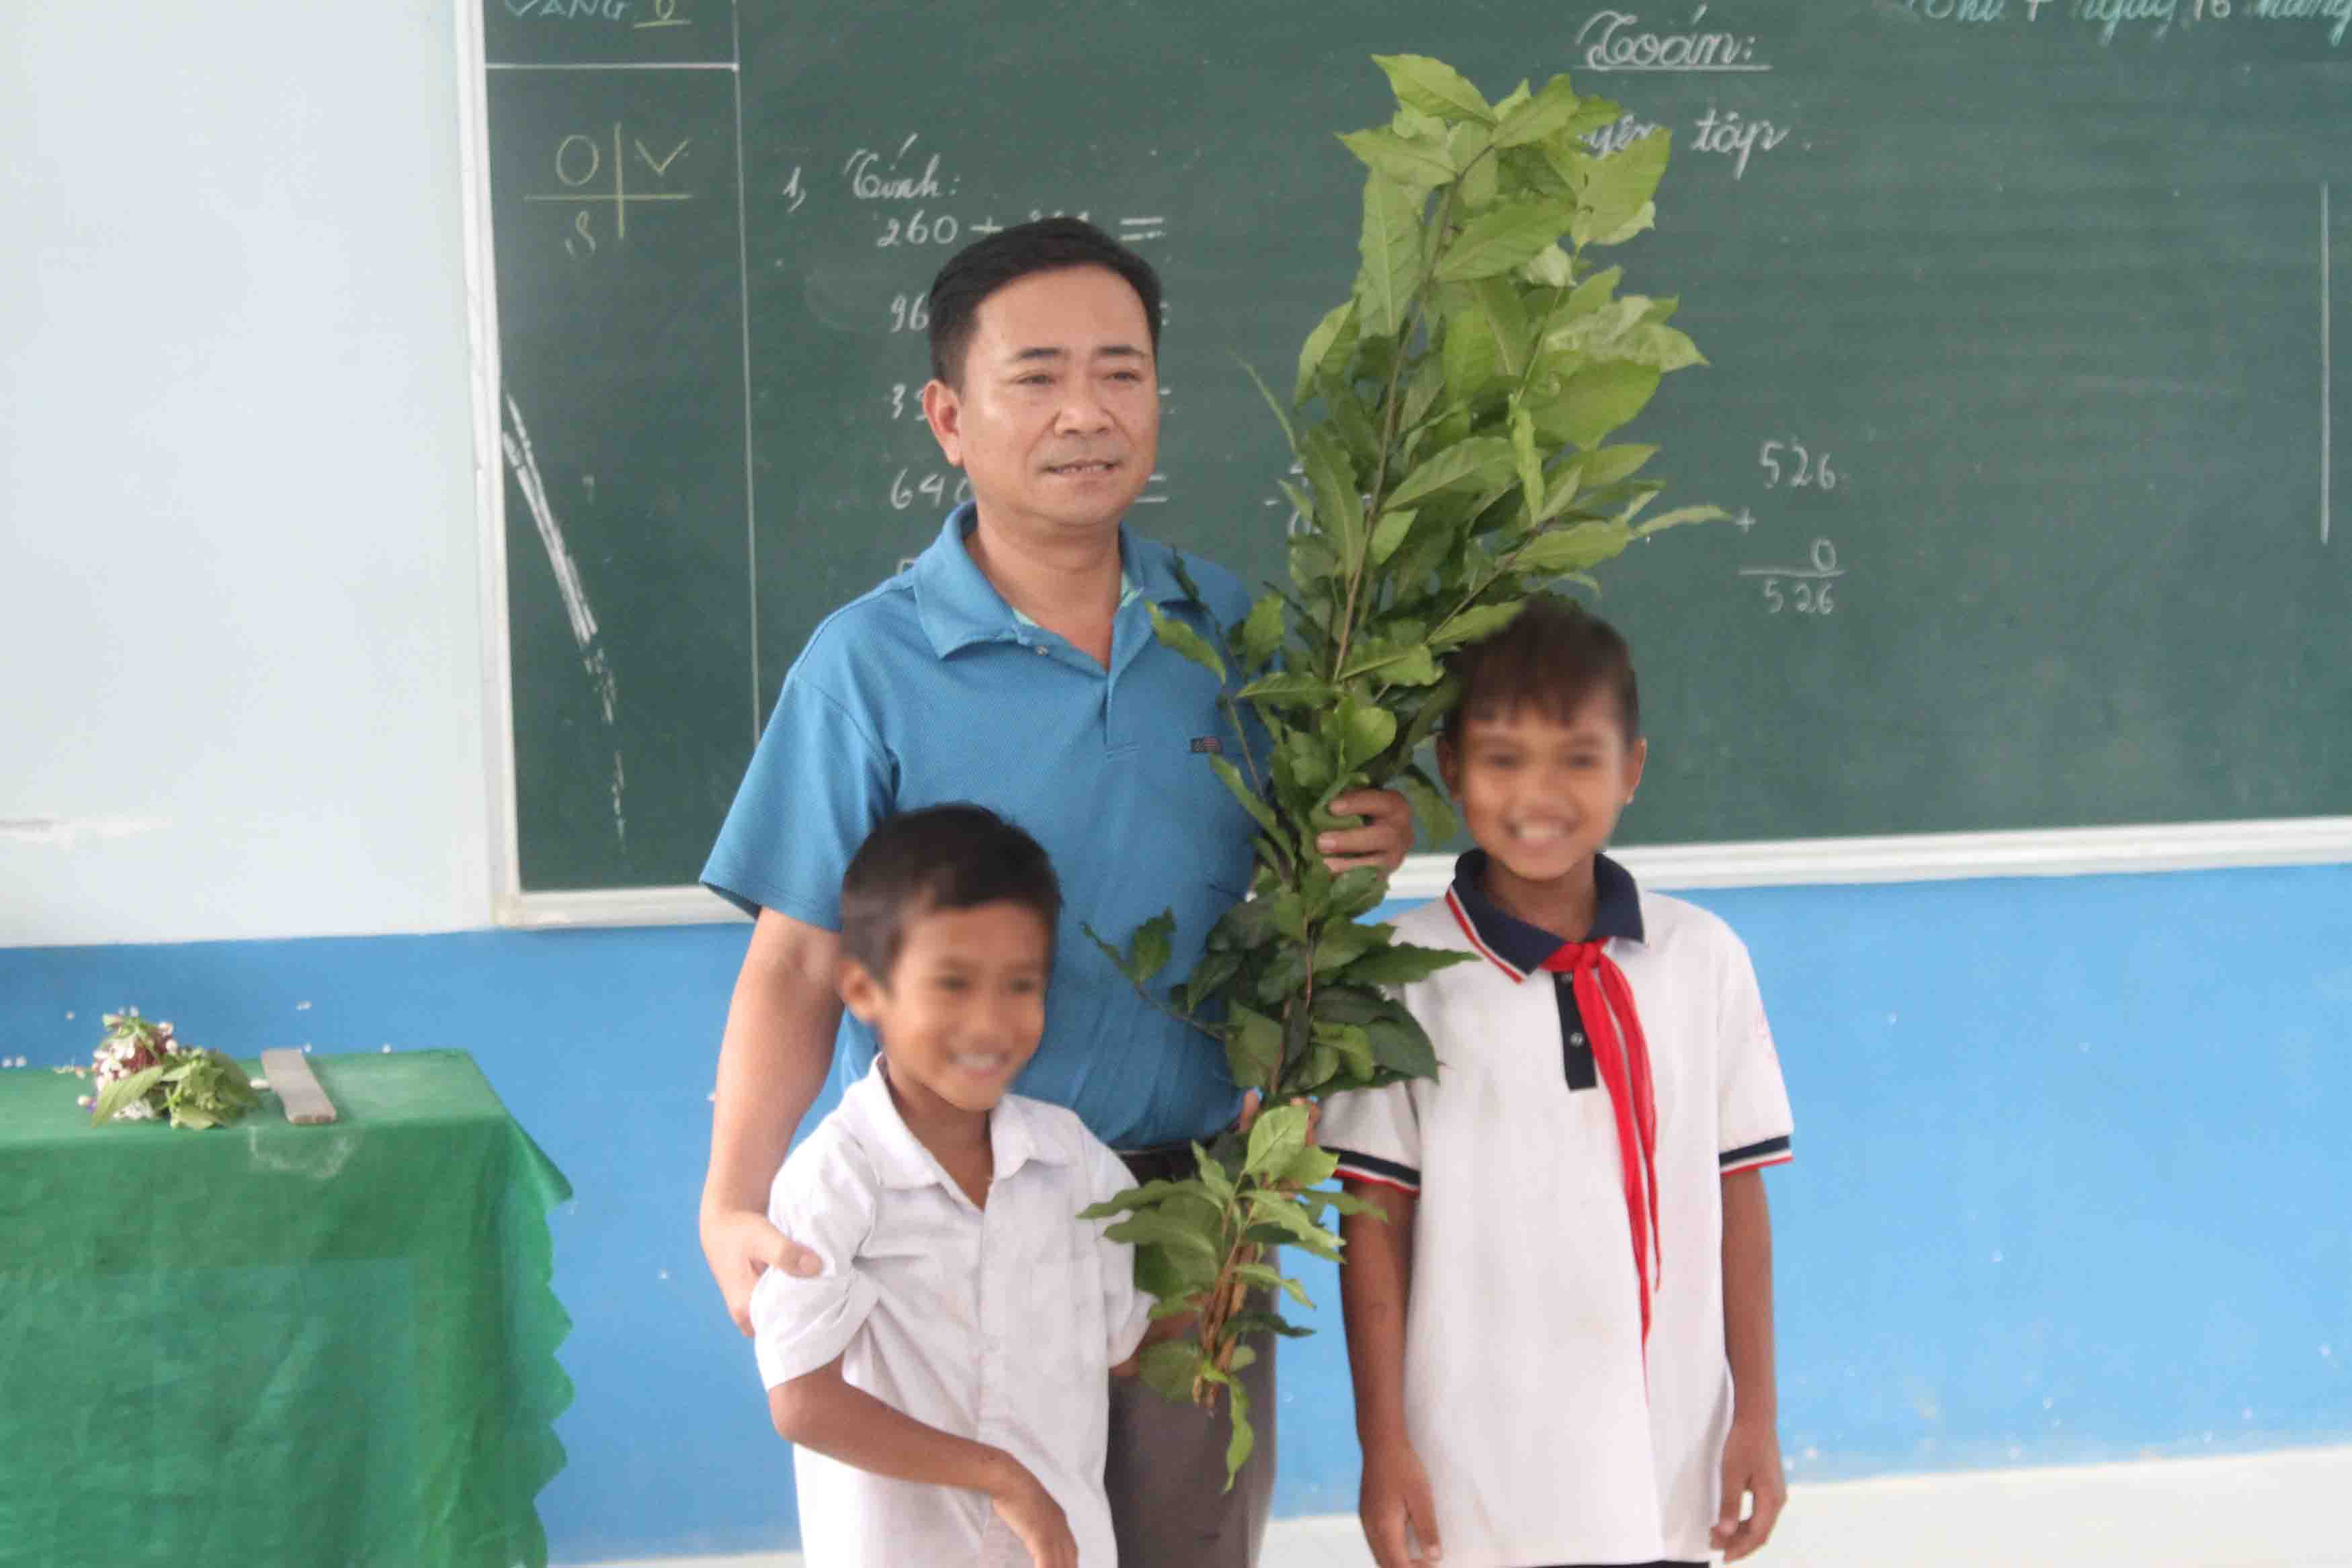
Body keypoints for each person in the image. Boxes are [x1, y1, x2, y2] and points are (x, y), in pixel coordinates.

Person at [698, 216, 1413, 1566]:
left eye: (1120, 371)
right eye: (1035, 376)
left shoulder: (1234, 635)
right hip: (948, 1225)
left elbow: (1305, 888)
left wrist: (1380, 815)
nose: (1085, 411)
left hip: (1199, 1205)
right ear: (948, 416)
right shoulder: (866, 666)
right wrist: (729, 1197)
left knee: (1180, 1547)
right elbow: (795, 966)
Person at [1323, 597, 1796, 1568]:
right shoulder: (1400, 971)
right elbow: (1371, 1224)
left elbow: (1738, 1198)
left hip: (1666, 1465)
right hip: (1479, 1483)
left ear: (1632, 768)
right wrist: (1383, 1446)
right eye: (1503, 759)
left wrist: (1757, 1414)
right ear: (1451, 768)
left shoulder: (1702, 957)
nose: (1540, 792)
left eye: (1578, 758)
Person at [754, 803, 1150, 1568]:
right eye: (952, 984)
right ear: (864, 991)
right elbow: (802, 1401)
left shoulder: (1075, 1162)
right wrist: (1000, 1477)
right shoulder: (838, 1178)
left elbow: (1121, 1349)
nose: (989, 1023)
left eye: (1019, 985)